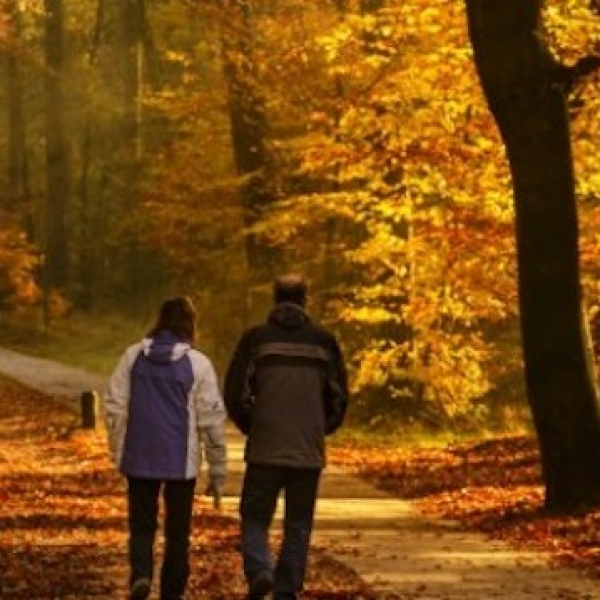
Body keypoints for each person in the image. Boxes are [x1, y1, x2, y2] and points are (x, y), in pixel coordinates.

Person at [224, 274, 349, 600]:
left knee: (254, 517)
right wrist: (321, 427)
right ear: (305, 299)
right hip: (307, 451)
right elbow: (339, 397)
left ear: (275, 298)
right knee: (298, 524)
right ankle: (285, 589)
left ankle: (259, 569)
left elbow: (235, 392)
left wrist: (253, 425)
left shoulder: (256, 340)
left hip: (265, 447)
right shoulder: (323, 342)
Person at [104, 296, 227, 600]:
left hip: (139, 455)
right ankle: (172, 592)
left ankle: (142, 575)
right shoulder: (198, 364)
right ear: (190, 325)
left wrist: (118, 448)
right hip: (180, 462)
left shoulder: (132, 357)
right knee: (178, 532)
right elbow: (211, 419)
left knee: (142, 526)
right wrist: (217, 468)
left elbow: (114, 406)